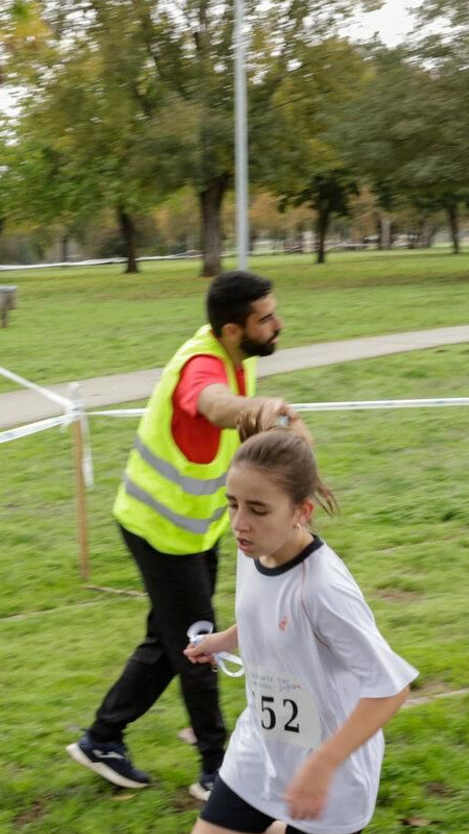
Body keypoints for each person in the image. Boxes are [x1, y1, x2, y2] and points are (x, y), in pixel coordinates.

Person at [183, 427, 415, 834]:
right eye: (233, 505)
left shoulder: (326, 589)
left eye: (258, 509)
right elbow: (264, 617)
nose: (240, 522)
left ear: (301, 511)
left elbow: (391, 688)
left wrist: (320, 766)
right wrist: (225, 641)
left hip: (329, 769)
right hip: (264, 743)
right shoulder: (257, 551)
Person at [67, 270, 299, 802]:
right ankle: (216, 771)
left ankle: (103, 737)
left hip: (192, 530)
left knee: (170, 641)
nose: (278, 324)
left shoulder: (237, 361)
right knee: (199, 644)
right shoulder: (203, 365)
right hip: (160, 530)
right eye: (266, 318)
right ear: (235, 329)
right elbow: (212, 404)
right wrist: (254, 411)